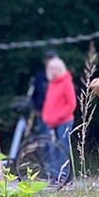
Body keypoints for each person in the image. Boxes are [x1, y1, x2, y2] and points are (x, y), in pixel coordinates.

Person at [41, 57, 75, 187]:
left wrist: (58, 117)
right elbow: (48, 104)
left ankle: (65, 177)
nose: (54, 71)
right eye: (51, 69)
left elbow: (71, 104)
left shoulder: (66, 82)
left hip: (64, 121)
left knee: (63, 149)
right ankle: (56, 176)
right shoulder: (52, 84)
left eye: (56, 68)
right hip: (51, 123)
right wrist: (46, 117)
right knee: (52, 149)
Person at [26, 50, 58, 132]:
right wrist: (36, 108)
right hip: (42, 112)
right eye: (47, 59)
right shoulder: (39, 76)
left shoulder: (61, 77)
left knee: (58, 139)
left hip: (57, 113)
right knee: (44, 136)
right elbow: (35, 93)